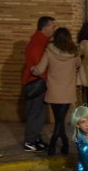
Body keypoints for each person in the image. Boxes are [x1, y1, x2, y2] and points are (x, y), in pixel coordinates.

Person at [31, 27, 81, 156]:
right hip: (68, 91)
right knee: (60, 119)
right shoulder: (74, 52)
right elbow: (78, 64)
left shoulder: (49, 51)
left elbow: (40, 69)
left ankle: (54, 143)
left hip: (53, 90)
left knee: (59, 119)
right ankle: (63, 142)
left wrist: (32, 69)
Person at [22, 16, 57, 151]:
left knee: (39, 113)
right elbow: (38, 67)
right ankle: (30, 141)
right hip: (35, 83)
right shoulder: (38, 43)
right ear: (45, 27)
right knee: (35, 113)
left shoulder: (40, 41)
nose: (54, 29)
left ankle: (36, 139)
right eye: (52, 26)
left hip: (37, 82)